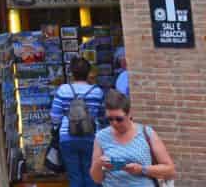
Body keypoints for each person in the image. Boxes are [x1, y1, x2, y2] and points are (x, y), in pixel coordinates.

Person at [92, 90, 175, 184]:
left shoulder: (146, 133)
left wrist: (142, 169)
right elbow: (96, 179)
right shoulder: (101, 136)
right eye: (110, 119)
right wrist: (99, 164)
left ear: (129, 113)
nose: (114, 123)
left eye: (119, 119)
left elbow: (170, 169)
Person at [50, 55, 106, 187]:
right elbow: (102, 116)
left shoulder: (63, 90)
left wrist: (56, 127)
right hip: (92, 137)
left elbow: (55, 115)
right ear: (88, 73)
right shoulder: (97, 92)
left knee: (74, 176)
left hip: (67, 137)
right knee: (91, 174)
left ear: (72, 73)